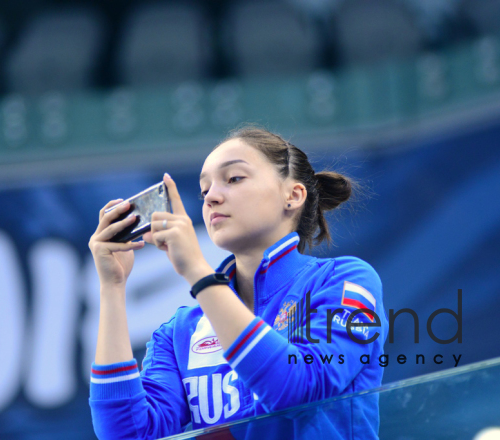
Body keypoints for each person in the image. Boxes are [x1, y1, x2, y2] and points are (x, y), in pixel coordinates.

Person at [87, 126, 388, 440]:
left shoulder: (344, 281)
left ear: (293, 195)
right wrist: (112, 287)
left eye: (234, 179)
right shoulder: (180, 331)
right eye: (205, 192)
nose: (212, 197)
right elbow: (129, 435)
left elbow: (300, 388)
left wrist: (197, 271)